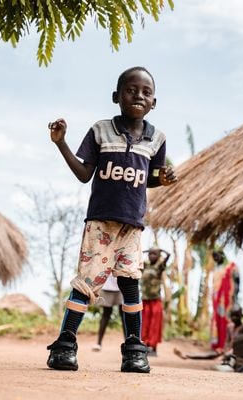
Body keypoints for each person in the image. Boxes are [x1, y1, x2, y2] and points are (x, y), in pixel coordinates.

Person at [46, 66, 177, 373]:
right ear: (116, 96)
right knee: (87, 283)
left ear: (154, 103)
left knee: (131, 285)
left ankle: (134, 350)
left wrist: (164, 179)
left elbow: (149, 178)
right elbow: (83, 174)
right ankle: (65, 346)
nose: (139, 96)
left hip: (132, 227)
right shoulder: (100, 130)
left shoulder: (156, 138)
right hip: (101, 223)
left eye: (146, 92)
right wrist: (61, 143)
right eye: (131, 90)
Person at [140, 247, 169, 356]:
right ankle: (145, 345)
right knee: (145, 324)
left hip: (155, 300)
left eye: (154, 254)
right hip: (145, 299)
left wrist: (162, 250)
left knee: (155, 324)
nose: (152, 256)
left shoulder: (160, 267)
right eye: (150, 254)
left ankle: (154, 347)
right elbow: (138, 258)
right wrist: (144, 251)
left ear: (158, 256)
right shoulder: (145, 265)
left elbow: (168, 256)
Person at [210, 250, 240, 354]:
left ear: (223, 255)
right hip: (216, 299)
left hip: (227, 298)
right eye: (214, 257)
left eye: (217, 256)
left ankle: (226, 345)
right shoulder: (215, 269)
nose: (216, 259)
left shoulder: (231, 266)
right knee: (217, 321)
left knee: (226, 320)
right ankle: (217, 345)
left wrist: (235, 297)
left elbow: (237, 281)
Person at [92, 274, 124, 352]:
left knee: (124, 315)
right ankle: (98, 343)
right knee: (106, 315)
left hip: (122, 286)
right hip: (107, 285)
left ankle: (128, 342)